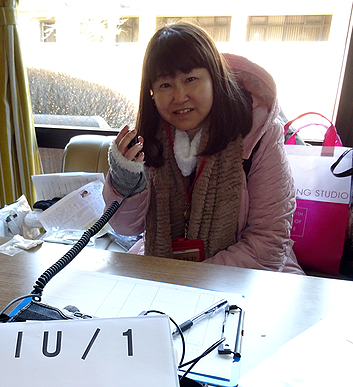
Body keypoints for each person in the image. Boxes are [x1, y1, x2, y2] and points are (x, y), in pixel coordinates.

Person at [103, 22, 303, 274]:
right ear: (151, 92)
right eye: (165, 85)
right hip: (166, 269)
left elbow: (268, 244)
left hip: (249, 277)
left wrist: (189, 278)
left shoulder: (258, 133)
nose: (179, 97)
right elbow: (126, 228)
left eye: (190, 79)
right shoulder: (149, 139)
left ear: (215, 79)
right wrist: (125, 183)